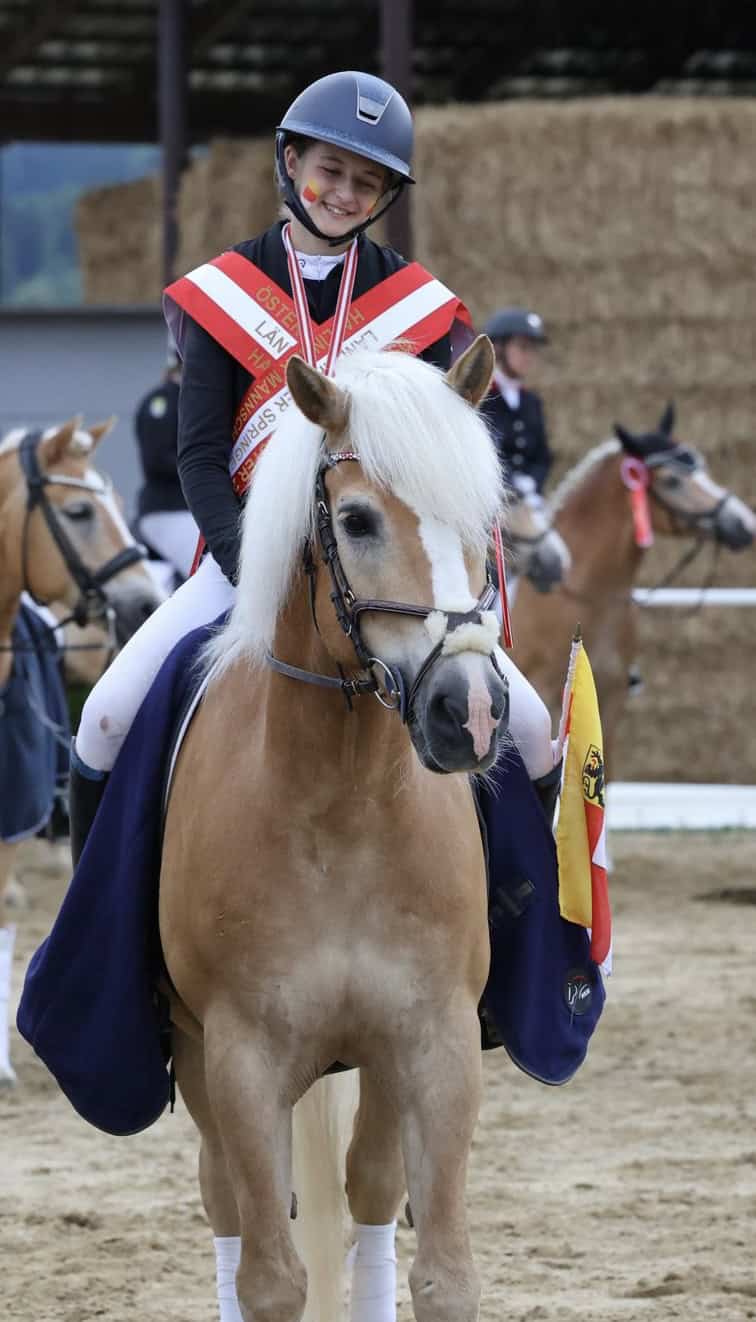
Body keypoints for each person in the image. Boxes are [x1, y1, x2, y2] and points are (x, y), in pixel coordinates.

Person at [68, 81, 561, 1308]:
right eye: (327, 170)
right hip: (249, 568)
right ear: (291, 166)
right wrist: (256, 568)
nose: (344, 192)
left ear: (384, 195)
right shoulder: (220, 295)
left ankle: (516, 957)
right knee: (106, 715)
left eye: (366, 181)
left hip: (399, 581)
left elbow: (452, 463)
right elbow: (193, 453)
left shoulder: (422, 306)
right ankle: (124, 962)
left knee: (540, 737)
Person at [133, 351, 199, 587]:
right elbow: (156, 458)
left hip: (192, 510)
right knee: (209, 572)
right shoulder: (162, 400)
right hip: (169, 509)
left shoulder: (198, 399)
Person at [480, 305, 553, 494]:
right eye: (522, 347)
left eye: (533, 349)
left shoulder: (532, 402)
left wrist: (533, 483)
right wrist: (512, 484)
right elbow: (483, 455)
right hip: (491, 499)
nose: (529, 356)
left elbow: (542, 457)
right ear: (498, 348)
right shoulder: (482, 398)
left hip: (528, 501)